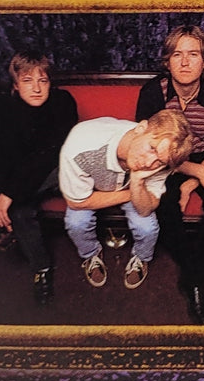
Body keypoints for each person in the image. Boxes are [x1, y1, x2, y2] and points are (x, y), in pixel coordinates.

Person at [135, 25, 204, 325]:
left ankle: (193, 278)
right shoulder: (153, 92)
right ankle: (196, 280)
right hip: (162, 162)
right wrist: (191, 174)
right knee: (163, 205)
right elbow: (147, 149)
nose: (184, 62)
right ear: (167, 61)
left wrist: (192, 183)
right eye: (177, 55)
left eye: (193, 54)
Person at [0, 50, 78, 307]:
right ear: (15, 85)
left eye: (43, 80)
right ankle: (41, 268)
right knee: (19, 210)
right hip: (21, 179)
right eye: (28, 81)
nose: (37, 89)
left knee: (18, 196)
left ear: (50, 83)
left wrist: (6, 196)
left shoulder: (63, 101)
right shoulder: (0, 109)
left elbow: (48, 156)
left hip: (59, 171)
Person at [58, 110, 194, 292]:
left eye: (159, 161)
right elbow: (76, 202)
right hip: (90, 189)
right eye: (152, 148)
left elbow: (146, 209)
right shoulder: (81, 144)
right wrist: (130, 193)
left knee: (147, 228)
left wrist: (137, 181)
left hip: (133, 188)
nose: (148, 163)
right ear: (141, 128)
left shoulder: (165, 159)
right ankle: (91, 254)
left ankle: (141, 257)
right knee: (76, 223)